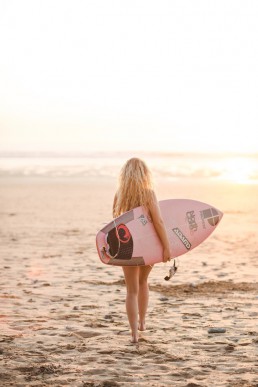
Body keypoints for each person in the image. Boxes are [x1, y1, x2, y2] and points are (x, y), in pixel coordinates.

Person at [113, 158, 172, 343]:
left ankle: (134, 334)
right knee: (143, 281)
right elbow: (158, 222)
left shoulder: (119, 195)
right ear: (144, 174)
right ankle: (143, 322)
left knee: (131, 290)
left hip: (127, 248)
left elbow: (115, 223)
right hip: (148, 246)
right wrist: (166, 246)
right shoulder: (149, 194)